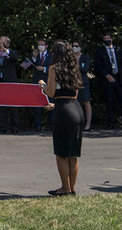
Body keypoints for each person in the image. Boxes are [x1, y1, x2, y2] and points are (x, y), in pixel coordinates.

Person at [45, 40, 85, 196]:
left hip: (64, 111)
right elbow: (74, 93)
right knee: (73, 153)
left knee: (61, 152)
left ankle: (64, 188)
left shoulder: (54, 68)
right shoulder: (74, 68)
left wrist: (42, 85)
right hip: (76, 108)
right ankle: (72, 188)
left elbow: (50, 92)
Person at [93, 33, 122, 130]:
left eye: (108, 38)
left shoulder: (118, 50)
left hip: (119, 79)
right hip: (108, 80)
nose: (106, 40)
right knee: (109, 102)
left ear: (112, 39)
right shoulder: (100, 51)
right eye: (105, 38)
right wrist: (106, 75)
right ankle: (110, 123)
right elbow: (98, 66)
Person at [29, 38, 52, 131]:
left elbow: (53, 67)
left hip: (48, 81)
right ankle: (38, 124)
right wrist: (34, 58)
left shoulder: (51, 56)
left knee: (50, 102)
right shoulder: (35, 55)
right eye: (39, 45)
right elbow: (27, 66)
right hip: (37, 82)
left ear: (46, 46)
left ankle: (52, 123)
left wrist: (44, 69)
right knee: (38, 104)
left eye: (42, 45)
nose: (40, 47)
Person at [74, 41, 93, 131]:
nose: (75, 47)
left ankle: (88, 124)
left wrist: (77, 66)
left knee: (86, 102)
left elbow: (85, 69)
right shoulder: (70, 57)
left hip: (83, 81)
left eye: (76, 46)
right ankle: (77, 124)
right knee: (75, 103)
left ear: (81, 47)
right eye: (73, 46)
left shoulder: (85, 57)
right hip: (73, 82)